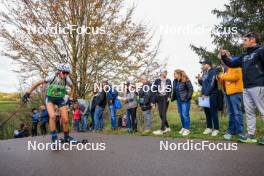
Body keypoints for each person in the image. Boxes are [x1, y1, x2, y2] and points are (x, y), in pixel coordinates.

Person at [220, 32, 264, 144]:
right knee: (249, 112)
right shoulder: (244, 56)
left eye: (245, 40)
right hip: (246, 87)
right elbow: (231, 64)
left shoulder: (260, 50)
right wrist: (224, 56)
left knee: (262, 111)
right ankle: (251, 136)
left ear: (253, 39)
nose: (243, 42)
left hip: (258, 85)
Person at [22, 63, 77, 144]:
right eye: (64, 72)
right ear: (59, 71)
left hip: (60, 99)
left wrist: (71, 98)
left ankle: (66, 137)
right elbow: (38, 83)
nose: (65, 75)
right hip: (50, 98)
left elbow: (73, 87)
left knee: (65, 119)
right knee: (52, 116)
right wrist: (28, 93)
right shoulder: (52, 77)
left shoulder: (67, 79)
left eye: (67, 73)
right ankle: (54, 137)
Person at [218, 56, 244, 140]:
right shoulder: (226, 68)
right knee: (231, 113)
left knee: (237, 112)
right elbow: (225, 79)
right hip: (227, 92)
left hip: (235, 92)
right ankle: (231, 130)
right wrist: (221, 78)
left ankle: (240, 132)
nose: (222, 61)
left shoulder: (236, 63)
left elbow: (235, 77)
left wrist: (222, 76)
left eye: (223, 59)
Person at [198, 60, 220, 136]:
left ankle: (216, 129)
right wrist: (199, 80)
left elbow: (212, 83)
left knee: (213, 112)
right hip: (204, 95)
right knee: (207, 112)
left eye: (203, 64)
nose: (202, 66)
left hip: (212, 95)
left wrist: (206, 94)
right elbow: (203, 84)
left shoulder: (213, 71)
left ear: (208, 65)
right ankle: (209, 127)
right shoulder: (204, 73)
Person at [171, 69, 193, 136]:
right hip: (178, 101)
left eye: (175, 74)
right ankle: (183, 127)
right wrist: (172, 97)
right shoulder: (175, 81)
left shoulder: (186, 80)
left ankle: (187, 129)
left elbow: (191, 90)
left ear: (179, 74)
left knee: (185, 115)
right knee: (181, 114)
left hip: (185, 101)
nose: (174, 75)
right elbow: (175, 91)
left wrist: (187, 98)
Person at [153, 69, 172, 135]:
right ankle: (168, 127)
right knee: (161, 114)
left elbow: (170, 89)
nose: (166, 73)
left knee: (163, 113)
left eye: (166, 72)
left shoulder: (168, 80)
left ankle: (162, 129)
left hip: (165, 98)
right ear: (161, 73)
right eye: (164, 72)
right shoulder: (157, 81)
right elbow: (154, 90)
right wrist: (154, 100)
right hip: (159, 98)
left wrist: (169, 97)